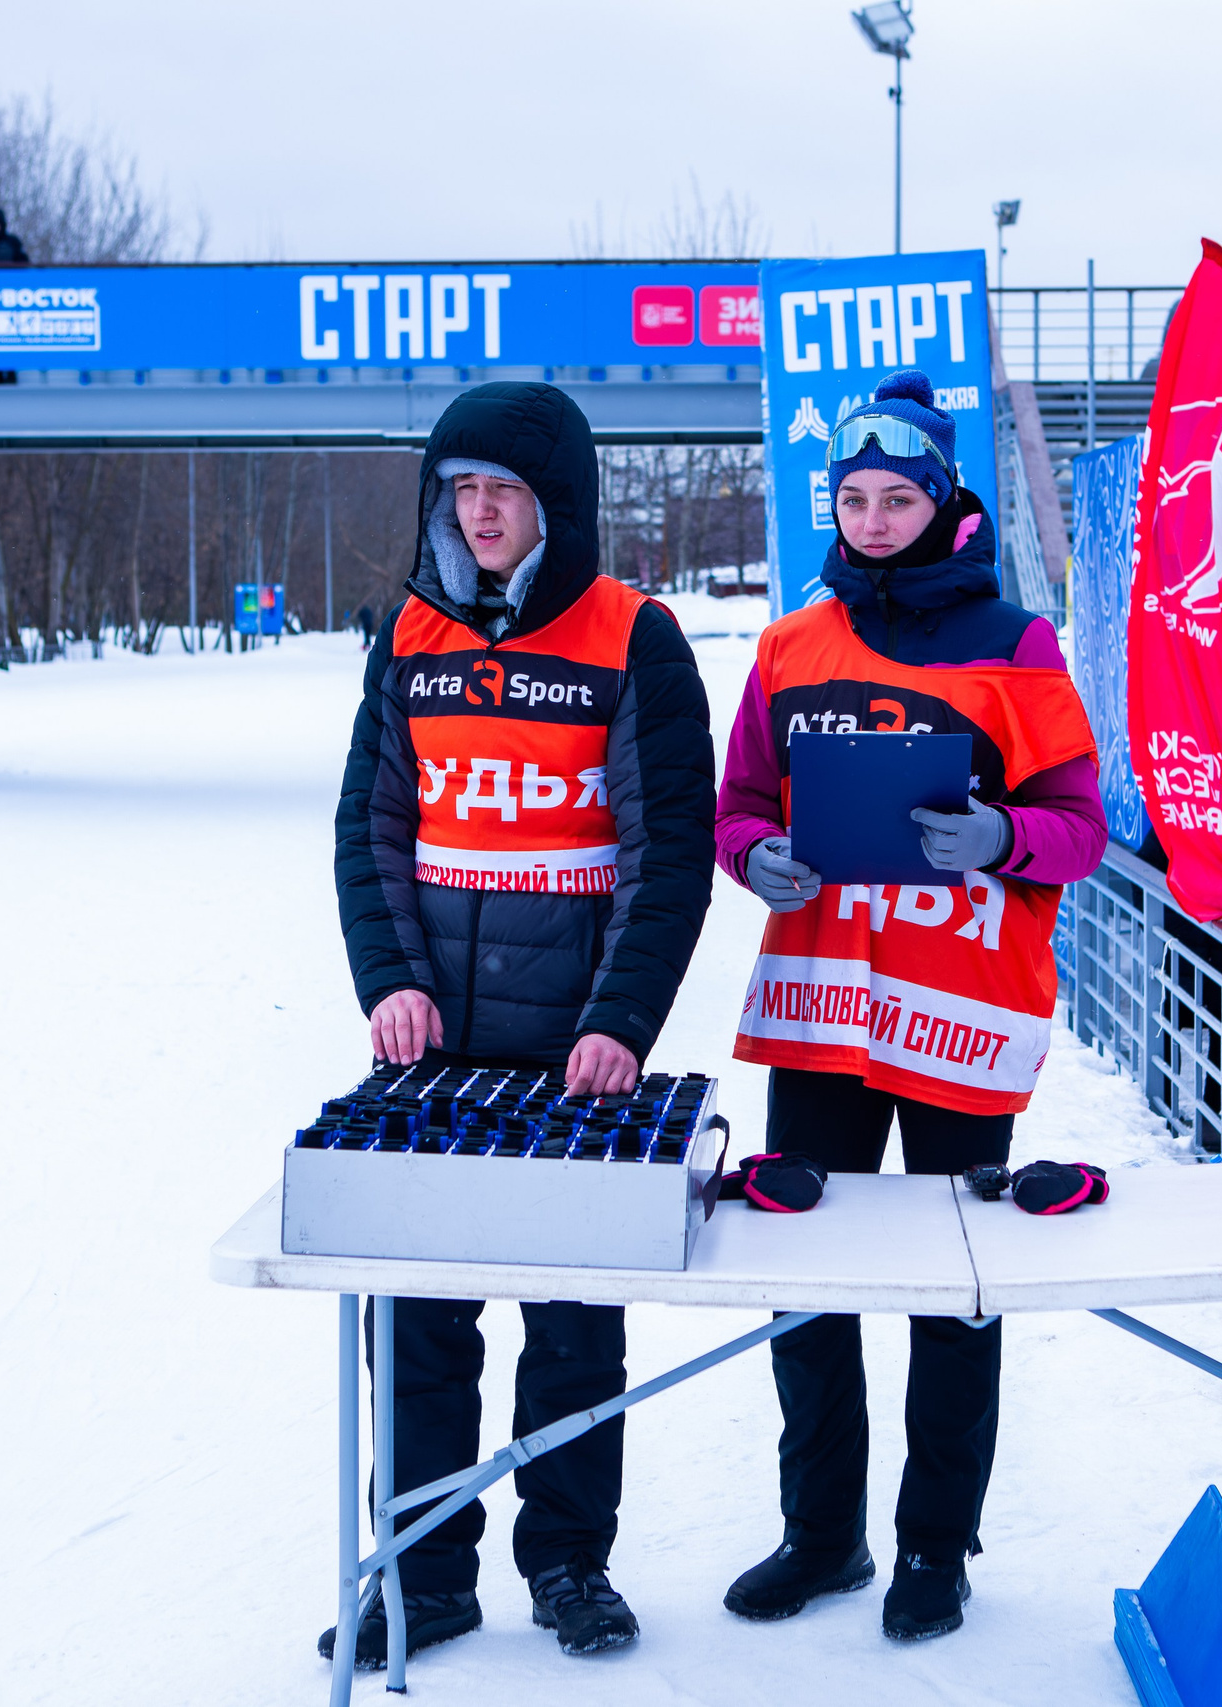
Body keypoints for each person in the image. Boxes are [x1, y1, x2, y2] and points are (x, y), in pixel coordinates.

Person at [331, 380, 716, 1671]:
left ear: (557, 499)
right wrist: (388, 976)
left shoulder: (634, 639)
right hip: (433, 1053)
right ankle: (427, 1571)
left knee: (573, 1326)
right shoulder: (410, 632)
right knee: (419, 1321)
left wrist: (618, 1018)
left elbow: (670, 853)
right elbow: (371, 825)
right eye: (462, 490)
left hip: (576, 1053)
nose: (481, 512)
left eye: (503, 489)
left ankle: (567, 1560)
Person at [716, 370, 1104, 1642]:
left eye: (898, 497)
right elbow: (740, 808)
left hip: (957, 1013)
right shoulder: (789, 645)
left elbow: (1080, 830)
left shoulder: (1015, 644)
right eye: (854, 497)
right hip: (824, 1010)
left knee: (954, 1289)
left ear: (942, 503)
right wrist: (751, 855)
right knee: (806, 1282)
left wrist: (1000, 833)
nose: (873, 519)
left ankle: (932, 1549)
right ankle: (819, 1537)